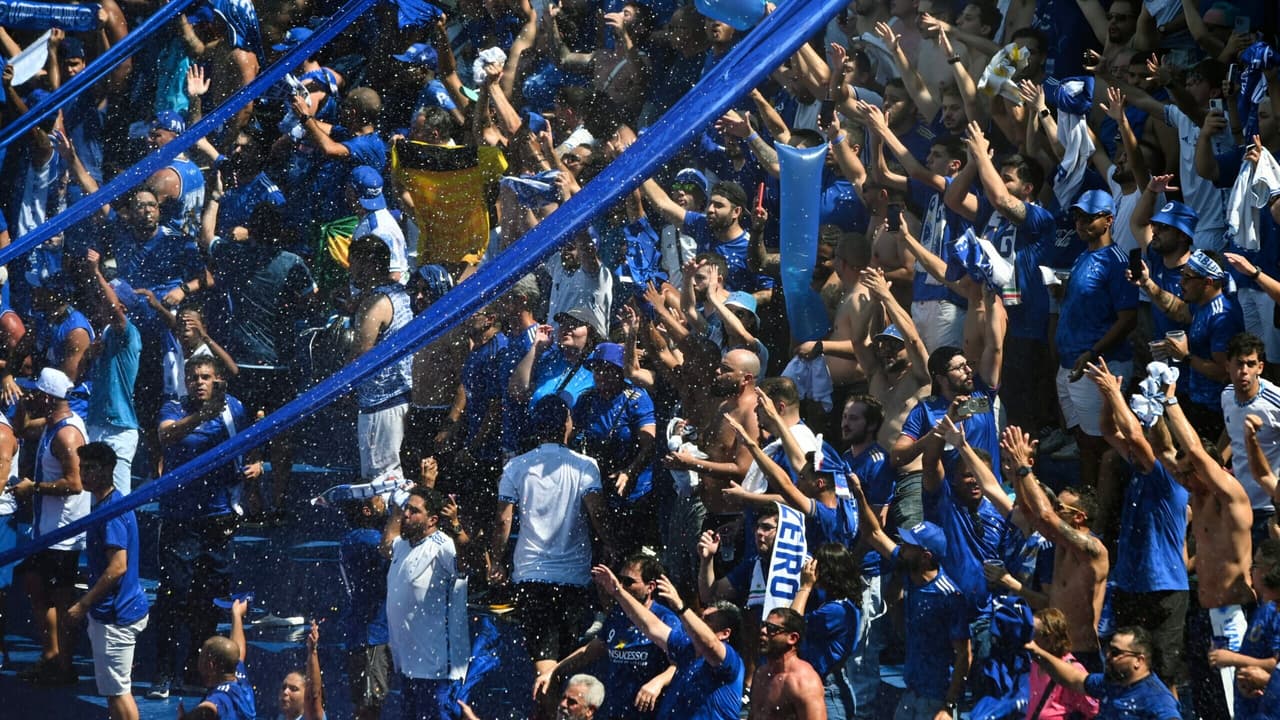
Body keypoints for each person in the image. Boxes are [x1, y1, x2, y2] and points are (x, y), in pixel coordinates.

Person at [149, 356, 254, 699]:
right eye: (193, 376)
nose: (198, 382)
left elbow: (249, 445)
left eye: (205, 376)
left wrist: (257, 468)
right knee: (172, 595)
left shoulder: (234, 409)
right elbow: (166, 436)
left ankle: (197, 670)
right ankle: (163, 673)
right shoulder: (174, 407)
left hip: (218, 517)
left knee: (208, 600)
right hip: (180, 519)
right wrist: (199, 418)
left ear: (218, 380)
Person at [490, 395, 612, 692]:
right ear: (566, 425)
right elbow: (597, 512)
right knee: (563, 667)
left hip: (530, 577)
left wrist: (496, 561)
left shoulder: (516, 467)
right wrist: (612, 544)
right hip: (573, 578)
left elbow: (503, 522)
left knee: (545, 666)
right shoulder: (585, 465)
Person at [849, 475, 970, 720]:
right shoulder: (909, 569)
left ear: (925, 556)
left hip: (935, 699)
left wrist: (948, 705)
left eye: (907, 544)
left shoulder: (949, 596)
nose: (900, 546)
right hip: (911, 691)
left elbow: (964, 655)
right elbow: (873, 533)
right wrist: (860, 495)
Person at [999, 425, 1109, 670]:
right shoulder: (1059, 542)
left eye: (1061, 506)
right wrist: (1018, 471)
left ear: (1079, 517)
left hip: (1082, 655)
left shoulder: (1093, 550)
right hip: (1052, 651)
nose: (1056, 509)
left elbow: (1047, 516)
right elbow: (1029, 511)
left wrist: (1025, 467)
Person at [11, 367, 89, 686]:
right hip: (48, 532)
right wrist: (18, 401)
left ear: (47, 396)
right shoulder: (51, 425)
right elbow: (23, 427)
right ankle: (52, 656)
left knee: (60, 597)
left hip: (63, 534)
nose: (30, 396)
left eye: (34, 393)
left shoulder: (66, 435)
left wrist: (35, 488)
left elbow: (76, 482)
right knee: (35, 584)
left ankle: (62, 664)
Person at [592, 563, 746, 719]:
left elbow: (711, 644)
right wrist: (618, 592)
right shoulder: (686, 647)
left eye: (707, 620)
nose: (698, 621)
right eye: (700, 617)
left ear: (725, 633)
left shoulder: (731, 662)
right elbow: (651, 626)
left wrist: (681, 606)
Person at [534, 554, 679, 719]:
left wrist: (658, 682)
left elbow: (681, 663)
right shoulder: (618, 615)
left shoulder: (666, 619)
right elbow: (589, 651)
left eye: (629, 582)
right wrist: (554, 671)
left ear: (650, 587)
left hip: (651, 713)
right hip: (616, 711)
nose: (621, 586)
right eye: (620, 579)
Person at [68, 442, 148, 720]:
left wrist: (83, 604)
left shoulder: (110, 514)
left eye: (91, 468)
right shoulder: (110, 504)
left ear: (109, 469)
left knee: (118, 692)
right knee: (113, 691)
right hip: (114, 613)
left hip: (115, 616)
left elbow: (117, 568)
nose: (84, 474)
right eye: (82, 468)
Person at [381, 486, 469, 720]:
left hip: (438, 670)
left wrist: (458, 528)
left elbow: (468, 563)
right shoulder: (401, 544)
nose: (406, 515)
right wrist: (399, 503)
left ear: (432, 520)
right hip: (409, 667)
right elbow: (386, 543)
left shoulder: (443, 545)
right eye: (406, 509)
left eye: (414, 511)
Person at [349, 235, 414, 480]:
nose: (350, 269)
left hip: (380, 405)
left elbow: (361, 356)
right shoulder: (400, 293)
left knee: (381, 482)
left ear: (366, 263)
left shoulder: (374, 302)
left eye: (352, 262)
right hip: (402, 397)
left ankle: (386, 519)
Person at [1026, 626, 1181, 720]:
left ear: (1138, 660)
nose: (1107, 656)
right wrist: (1036, 651)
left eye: (1115, 652)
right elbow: (1074, 679)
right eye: (1108, 649)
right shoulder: (1111, 682)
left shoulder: (1157, 699)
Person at [790, 546, 862, 720]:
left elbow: (791, 624)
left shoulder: (836, 611)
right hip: (825, 685)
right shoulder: (840, 604)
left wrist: (805, 587)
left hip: (829, 693)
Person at [1221, 333, 1280, 543]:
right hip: (1240, 502)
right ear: (1227, 366)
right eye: (1239, 364)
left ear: (1260, 368)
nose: (1244, 371)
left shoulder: (1275, 401)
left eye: (1250, 364)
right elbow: (1230, 432)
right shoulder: (1227, 395)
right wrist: (1218, 462)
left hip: (1270, 505)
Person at [179, 598, 256, 719]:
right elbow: (238, 650)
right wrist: (236, 614)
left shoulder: (220, 696)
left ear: (211, 665)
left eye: (201, 655)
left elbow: (209, 708)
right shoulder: (239, 678)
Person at [748, 607, 826, 719]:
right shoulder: (761, 673)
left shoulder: (804, 682)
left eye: (771, 628)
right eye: (763, 625)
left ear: (792, 638)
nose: (763, 631)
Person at [1024, 608, 1100, 720]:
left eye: (1033, 634)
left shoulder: (1072, 669)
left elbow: (1093, 710)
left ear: (1050, 639)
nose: (1028, 639)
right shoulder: (1033, 663)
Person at [276, 620, 326, 720]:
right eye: (283, 687)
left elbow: (313, 695)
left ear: (306, 695)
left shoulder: (311, 717)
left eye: (294, 689)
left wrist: (313, 651)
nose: (285, 692)